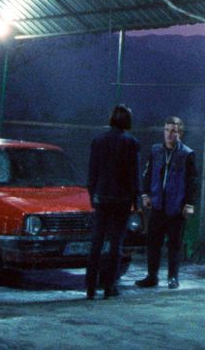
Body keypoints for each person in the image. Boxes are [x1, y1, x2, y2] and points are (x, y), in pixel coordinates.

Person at [135, 115, 198, 290]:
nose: (170, 134)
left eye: (174, 131)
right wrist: (146, 194)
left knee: (174, 244)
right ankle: (152, 276)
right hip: (157, 204)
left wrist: (189, 203)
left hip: (176, 206)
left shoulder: (187, 154)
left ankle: (173, 277)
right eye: (167, 130)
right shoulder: (156, 151)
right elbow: (147, 173)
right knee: (153, 242)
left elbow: (192, 181)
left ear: (180, 133)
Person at [85, 104, 139, 299]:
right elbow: (133, 175)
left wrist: (93, 194)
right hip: (121, 200)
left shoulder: (98, 140)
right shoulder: (131, 143)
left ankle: (90, 288)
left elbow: (93, 171)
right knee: (116, 245)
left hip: (101, 197)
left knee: (97, 243)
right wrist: (136, 200)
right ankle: (110, 286)